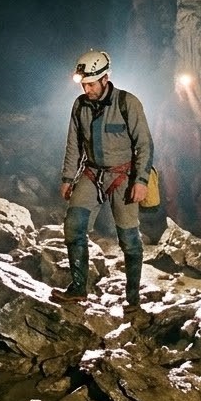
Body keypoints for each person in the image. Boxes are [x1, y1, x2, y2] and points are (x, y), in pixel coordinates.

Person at [54, 49, 155, 308]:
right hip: (92, 173)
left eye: (90, 84)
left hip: (123, 176)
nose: (87, 89)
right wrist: (67, 177)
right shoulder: (80, 105)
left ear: (105, 78)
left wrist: (141, 181)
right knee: (73, 226)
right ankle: (78, 288)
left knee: (129, 240)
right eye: (84, 85)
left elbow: (144, 144)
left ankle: (132, 298)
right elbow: (73, 145)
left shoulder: (127, 103)